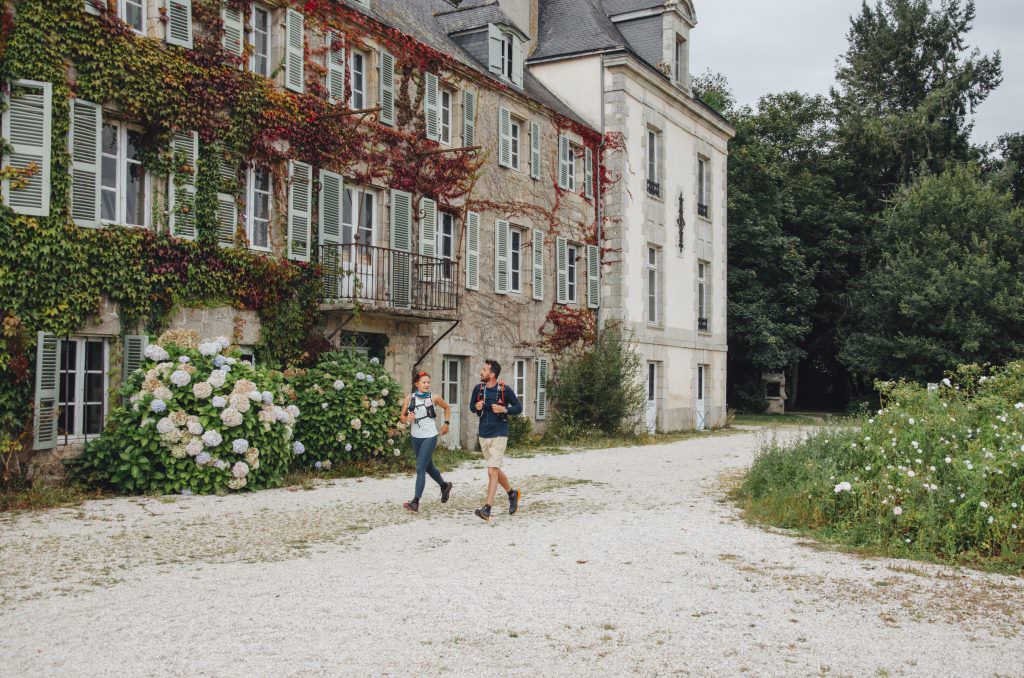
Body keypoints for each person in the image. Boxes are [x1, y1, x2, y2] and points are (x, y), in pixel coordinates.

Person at [469, 359, 523, 521]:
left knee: (492, 470)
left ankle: (487, 508)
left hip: (500, 433)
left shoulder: (505, 390)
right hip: (483, 434)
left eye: (484, 370)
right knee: (496, 469)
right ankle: (512, 494)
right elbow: (472, 407)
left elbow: (518, 408)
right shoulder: (478, 389)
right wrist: (476, 407)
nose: (481, 372)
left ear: (492, 374)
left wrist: (504, 409)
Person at [400, 371, 453, 512]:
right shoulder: (409, 399)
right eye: (423, 382)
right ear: (417, 384)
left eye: (428, 382)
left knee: (420, 467)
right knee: (428, 467)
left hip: (430, 436)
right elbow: (402, 417)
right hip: (415, 436)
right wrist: (407, 419)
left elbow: (447, 408)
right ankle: (444, 486)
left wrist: (446, 423)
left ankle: (415, 502)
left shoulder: (434, 397)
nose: (426, 384)